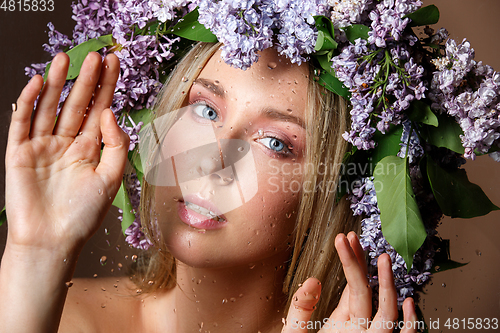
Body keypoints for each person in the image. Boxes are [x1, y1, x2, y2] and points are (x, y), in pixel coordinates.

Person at [0, 40, 418, 332]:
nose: (213, 159)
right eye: (205, 109)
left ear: (336, 190)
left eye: (276, 143)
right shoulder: (56, 320)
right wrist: (37, 256)